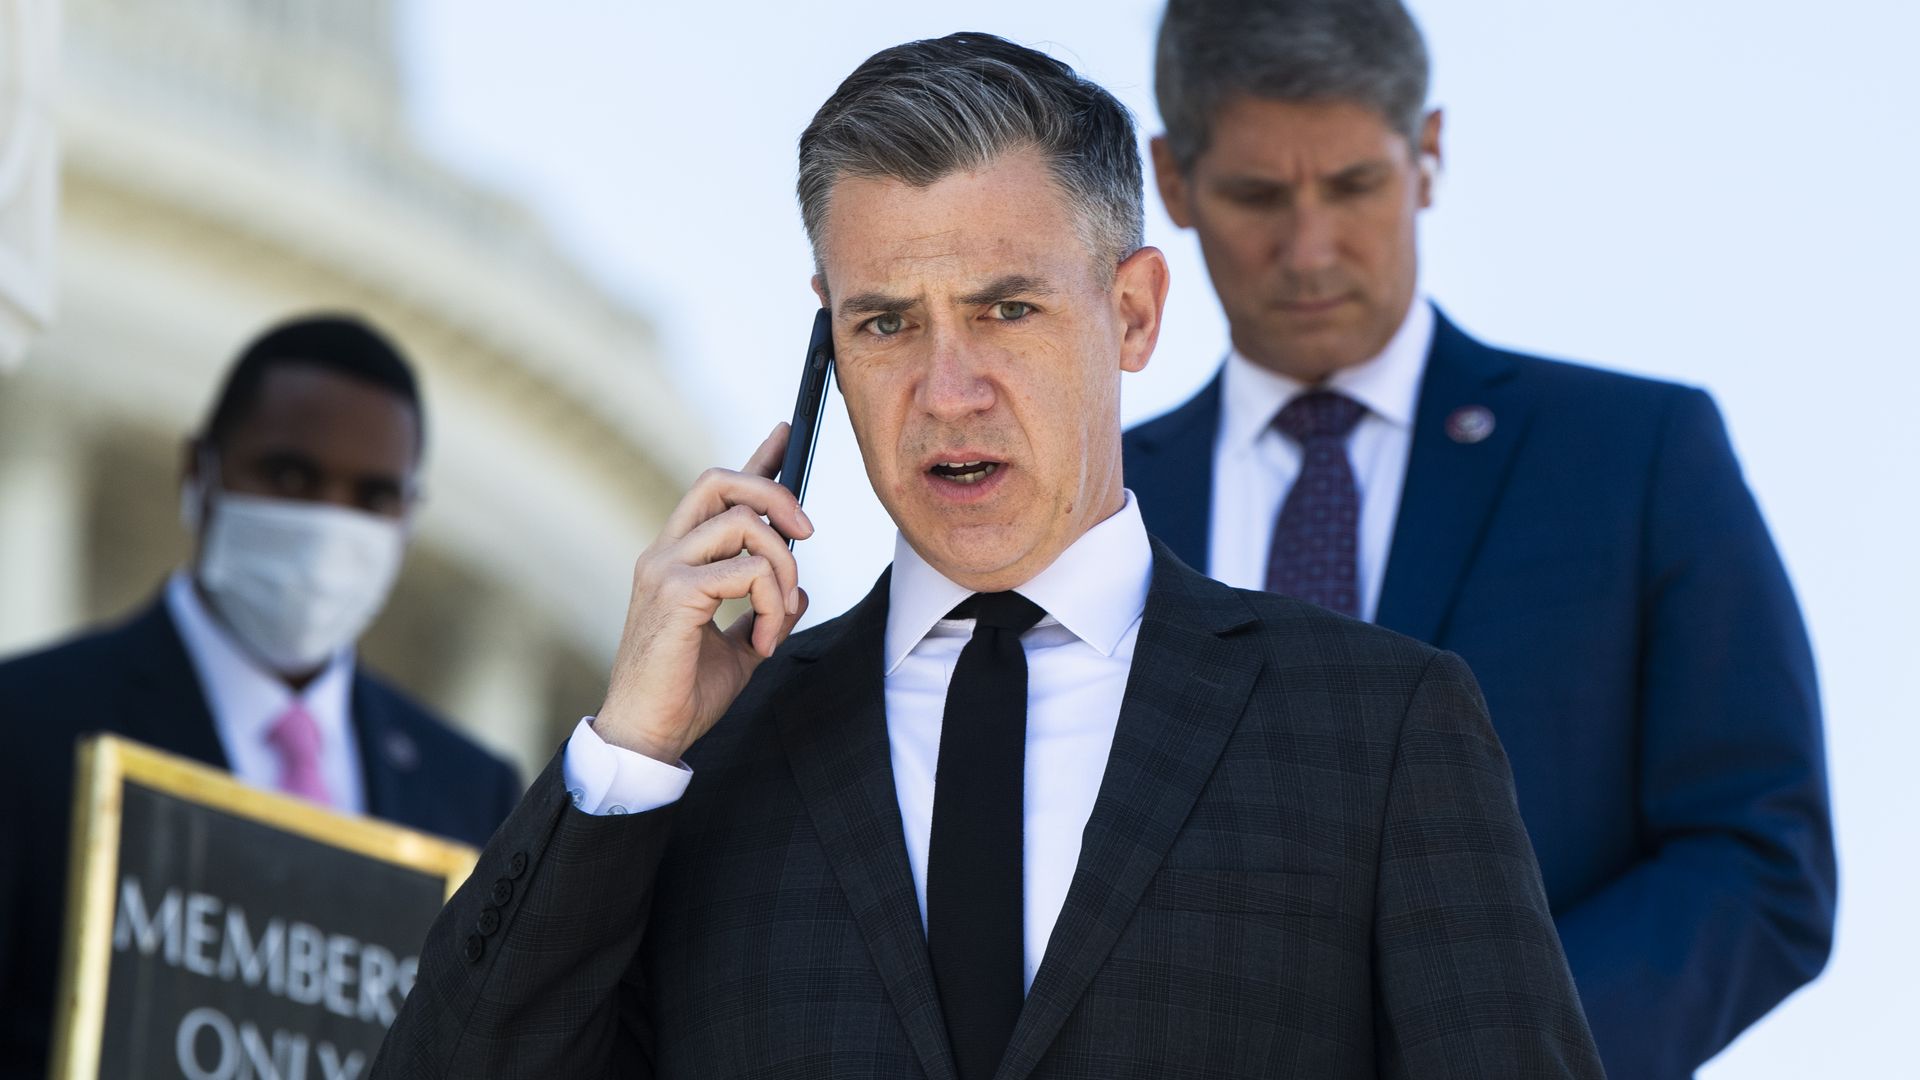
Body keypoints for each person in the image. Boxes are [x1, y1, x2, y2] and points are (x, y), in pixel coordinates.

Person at [372, 33, 1603, 1080]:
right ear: (828, 349)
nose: (946, 393)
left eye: (1008, 310)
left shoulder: (1379, 732)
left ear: (1132, 314)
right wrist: (628, 757)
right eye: (887, 324)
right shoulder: (705, 765)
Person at [1123, 2, 1836, 1076]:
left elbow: (1760, 860)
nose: (1310, 249)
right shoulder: (1094, 503)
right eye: (1258, 195)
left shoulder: (1635, 456)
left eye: (1356, 185)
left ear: (1428, 155)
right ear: (1173, 182)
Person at [0, 314, 522, 1077]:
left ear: (408, 515)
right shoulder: (27, 721)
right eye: (289, 477)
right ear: (199, 473)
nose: (327, 527)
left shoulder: (472, 796)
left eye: (372, 497)